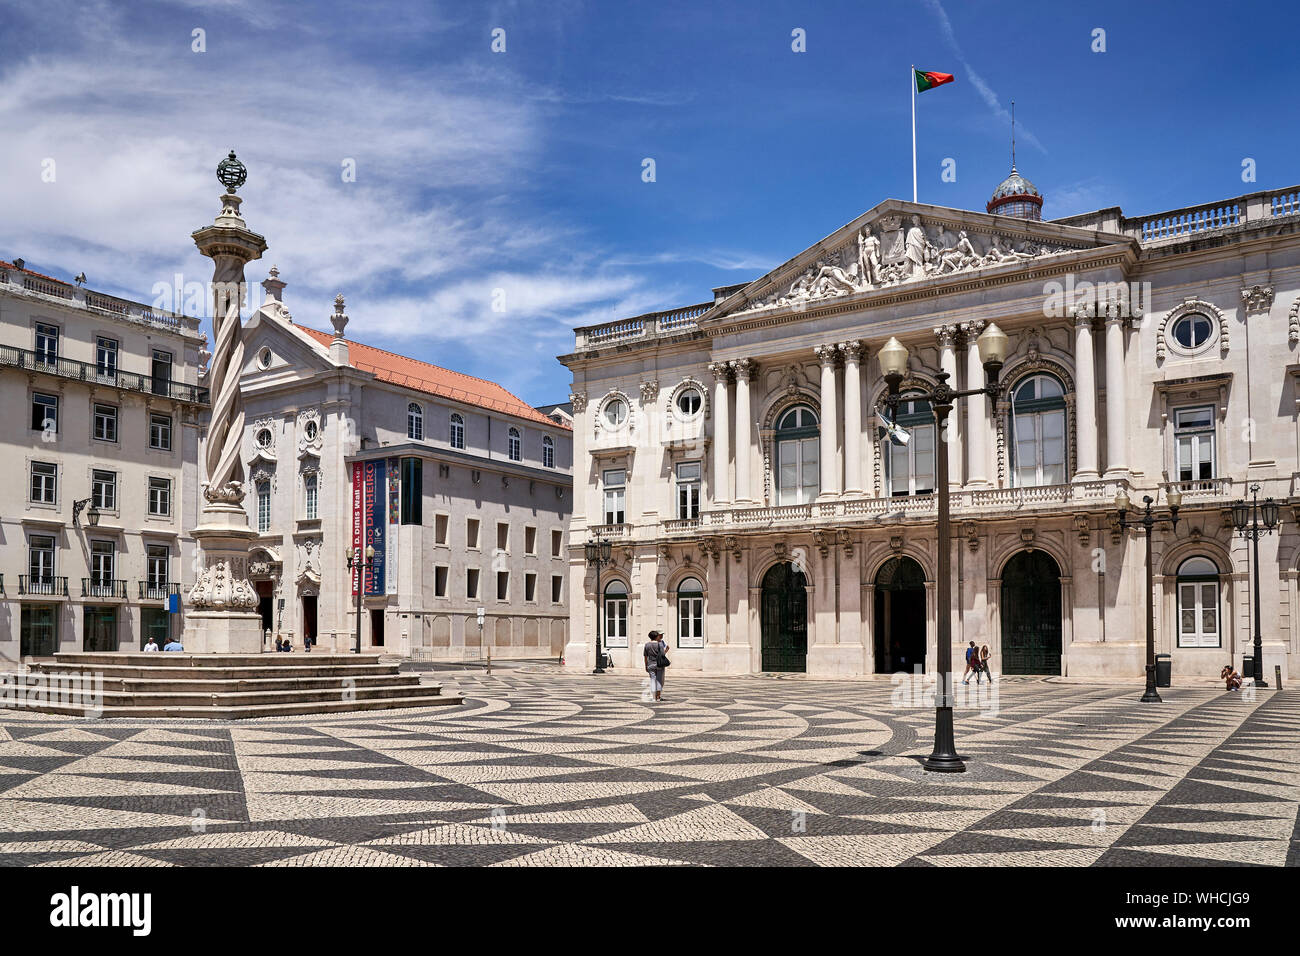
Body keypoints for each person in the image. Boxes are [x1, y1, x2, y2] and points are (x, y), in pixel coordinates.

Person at [643, 629, 669, 702]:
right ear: (656, 636)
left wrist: (646, 666)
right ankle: (658, 697)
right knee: (659, 681)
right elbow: (662, 655)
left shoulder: (647, 645)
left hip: (650, 664)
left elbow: (645, 656)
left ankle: (653, 697)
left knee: (652, 681)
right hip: (659, 665)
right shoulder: (659, 644)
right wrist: (666, 650)